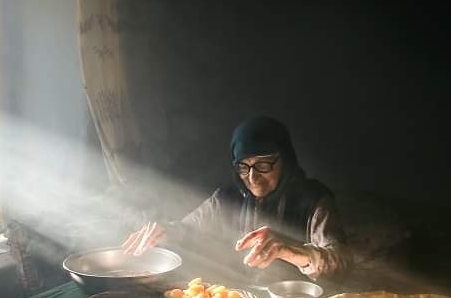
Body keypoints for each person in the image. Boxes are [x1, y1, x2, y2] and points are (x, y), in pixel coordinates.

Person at [121, 116, 351, 284]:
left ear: (286, 160)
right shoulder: (227, 197)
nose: (252, 177)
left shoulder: (313, 199)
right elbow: (188, 229)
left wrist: (292, 251)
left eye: (263, 164)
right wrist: (166, 231)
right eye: (243, 166)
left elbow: (341, 263)